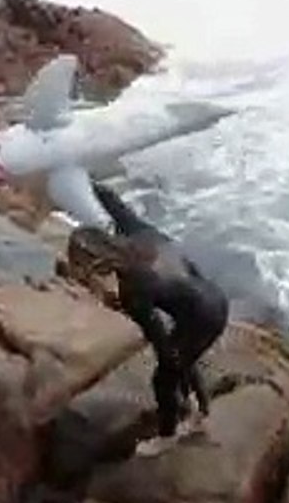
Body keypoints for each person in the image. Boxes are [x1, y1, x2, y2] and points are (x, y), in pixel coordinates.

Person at [69, 182, 230, 457]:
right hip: (214, 296)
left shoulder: (133, 290)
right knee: (184, 354)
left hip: (204, 317)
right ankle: (201, 410)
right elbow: (112, 201)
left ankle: (169, 435)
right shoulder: (140, 232)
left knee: (164, 376)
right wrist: (82, 183)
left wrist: (176, 369)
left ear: (99, 265)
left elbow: (163, 346)